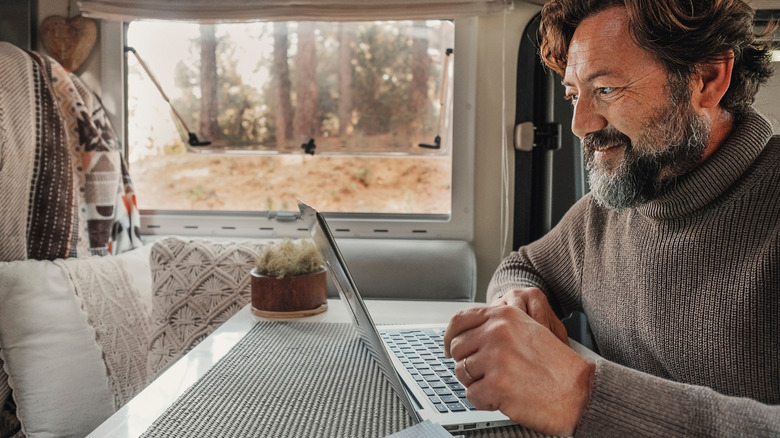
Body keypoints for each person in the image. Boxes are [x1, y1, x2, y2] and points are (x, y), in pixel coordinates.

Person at [443, 0, 779, 436]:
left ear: (708, 79)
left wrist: (580, 396)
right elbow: (523, 266)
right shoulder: (609, 212)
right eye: (572, 94)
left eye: (606, 90)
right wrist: (517, 301)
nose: (581, 124)